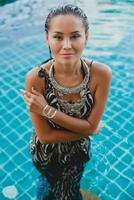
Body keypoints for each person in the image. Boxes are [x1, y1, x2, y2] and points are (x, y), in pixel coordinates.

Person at [20, 4, 112, 200]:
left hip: (78, 152)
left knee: (68, 191)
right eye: (58, 36)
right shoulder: (36, 78)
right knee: (50, 187)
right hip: (45, 153)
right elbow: (45, 136)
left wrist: (47, 110)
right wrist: (87, 129)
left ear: (86, 37)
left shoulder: (101, 75)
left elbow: (91, 126)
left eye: (75, 36)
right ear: (47, 38)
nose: (67, 45)